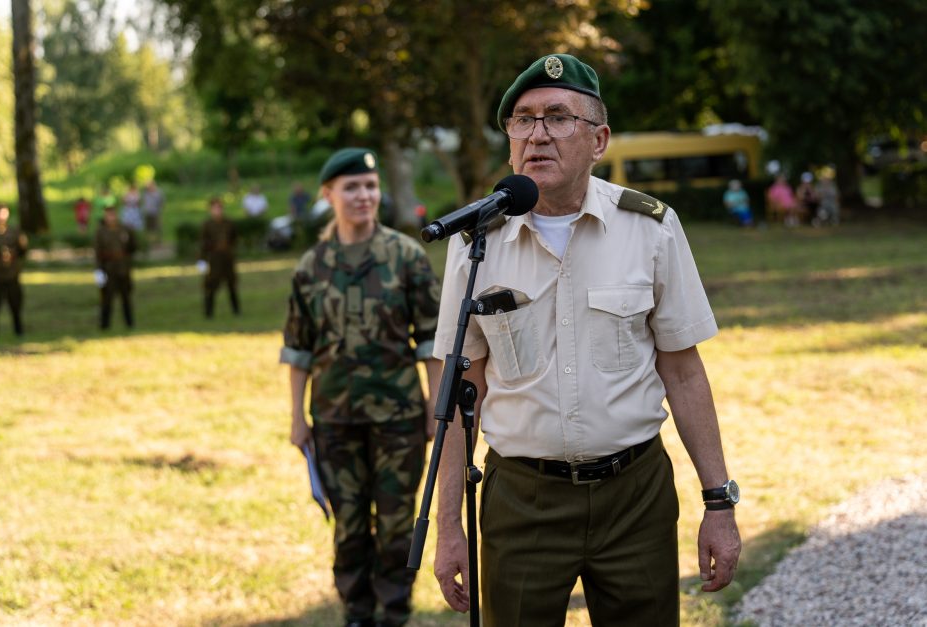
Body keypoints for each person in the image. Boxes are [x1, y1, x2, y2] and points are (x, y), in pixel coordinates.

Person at [431, 54, 741, 626]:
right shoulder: (477, 243)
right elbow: (457, 387)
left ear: (599, 140)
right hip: (522, 499)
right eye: (522, 120)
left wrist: (718, 502)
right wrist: (449, 526)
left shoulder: (649, 227)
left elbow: (683, 370)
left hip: (635, 496)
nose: (537, 135)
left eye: (557, 117)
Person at [279, 148, 443, 627]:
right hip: (334, 420)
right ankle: (356, 613)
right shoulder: (312, 266)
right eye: (352, 187)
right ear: (328, 195)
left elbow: (432, 339)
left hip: (399, 419)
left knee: (396, 526)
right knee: (349, 527)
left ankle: (393, 613)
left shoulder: (406, 256)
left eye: (370, 186)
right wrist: (297, 419)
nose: (364, 195)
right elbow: (297, 351)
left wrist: (436, 404)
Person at [0, 202, 28, 339]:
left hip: (12, 273)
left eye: (2, 212)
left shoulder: (15, 232)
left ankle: (19, 331)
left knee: (15, 302)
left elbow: (23, 251)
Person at [95, 205, 137, 330]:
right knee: (107, 298)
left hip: (123, 268)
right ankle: (105, 325)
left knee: (126, 296)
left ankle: (129, 323)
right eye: (108, 215)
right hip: (108, 268)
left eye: (113, 214)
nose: (111, 217)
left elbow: (132, 247)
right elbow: (97, 251)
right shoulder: (101, 232)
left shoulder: (125, 229)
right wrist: (98, 270)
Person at [198, 197, 240, 318]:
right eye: (215, 208)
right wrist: (202, 260)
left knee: (232, 284)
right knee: (211, 285)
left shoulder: (229, 223)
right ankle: (208, 312)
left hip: (227, 258)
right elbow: (203, 243)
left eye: (219, 208)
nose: (217, 211)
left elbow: (234, 238)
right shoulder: (207, 225)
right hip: (214, 259)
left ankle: (236, 310)